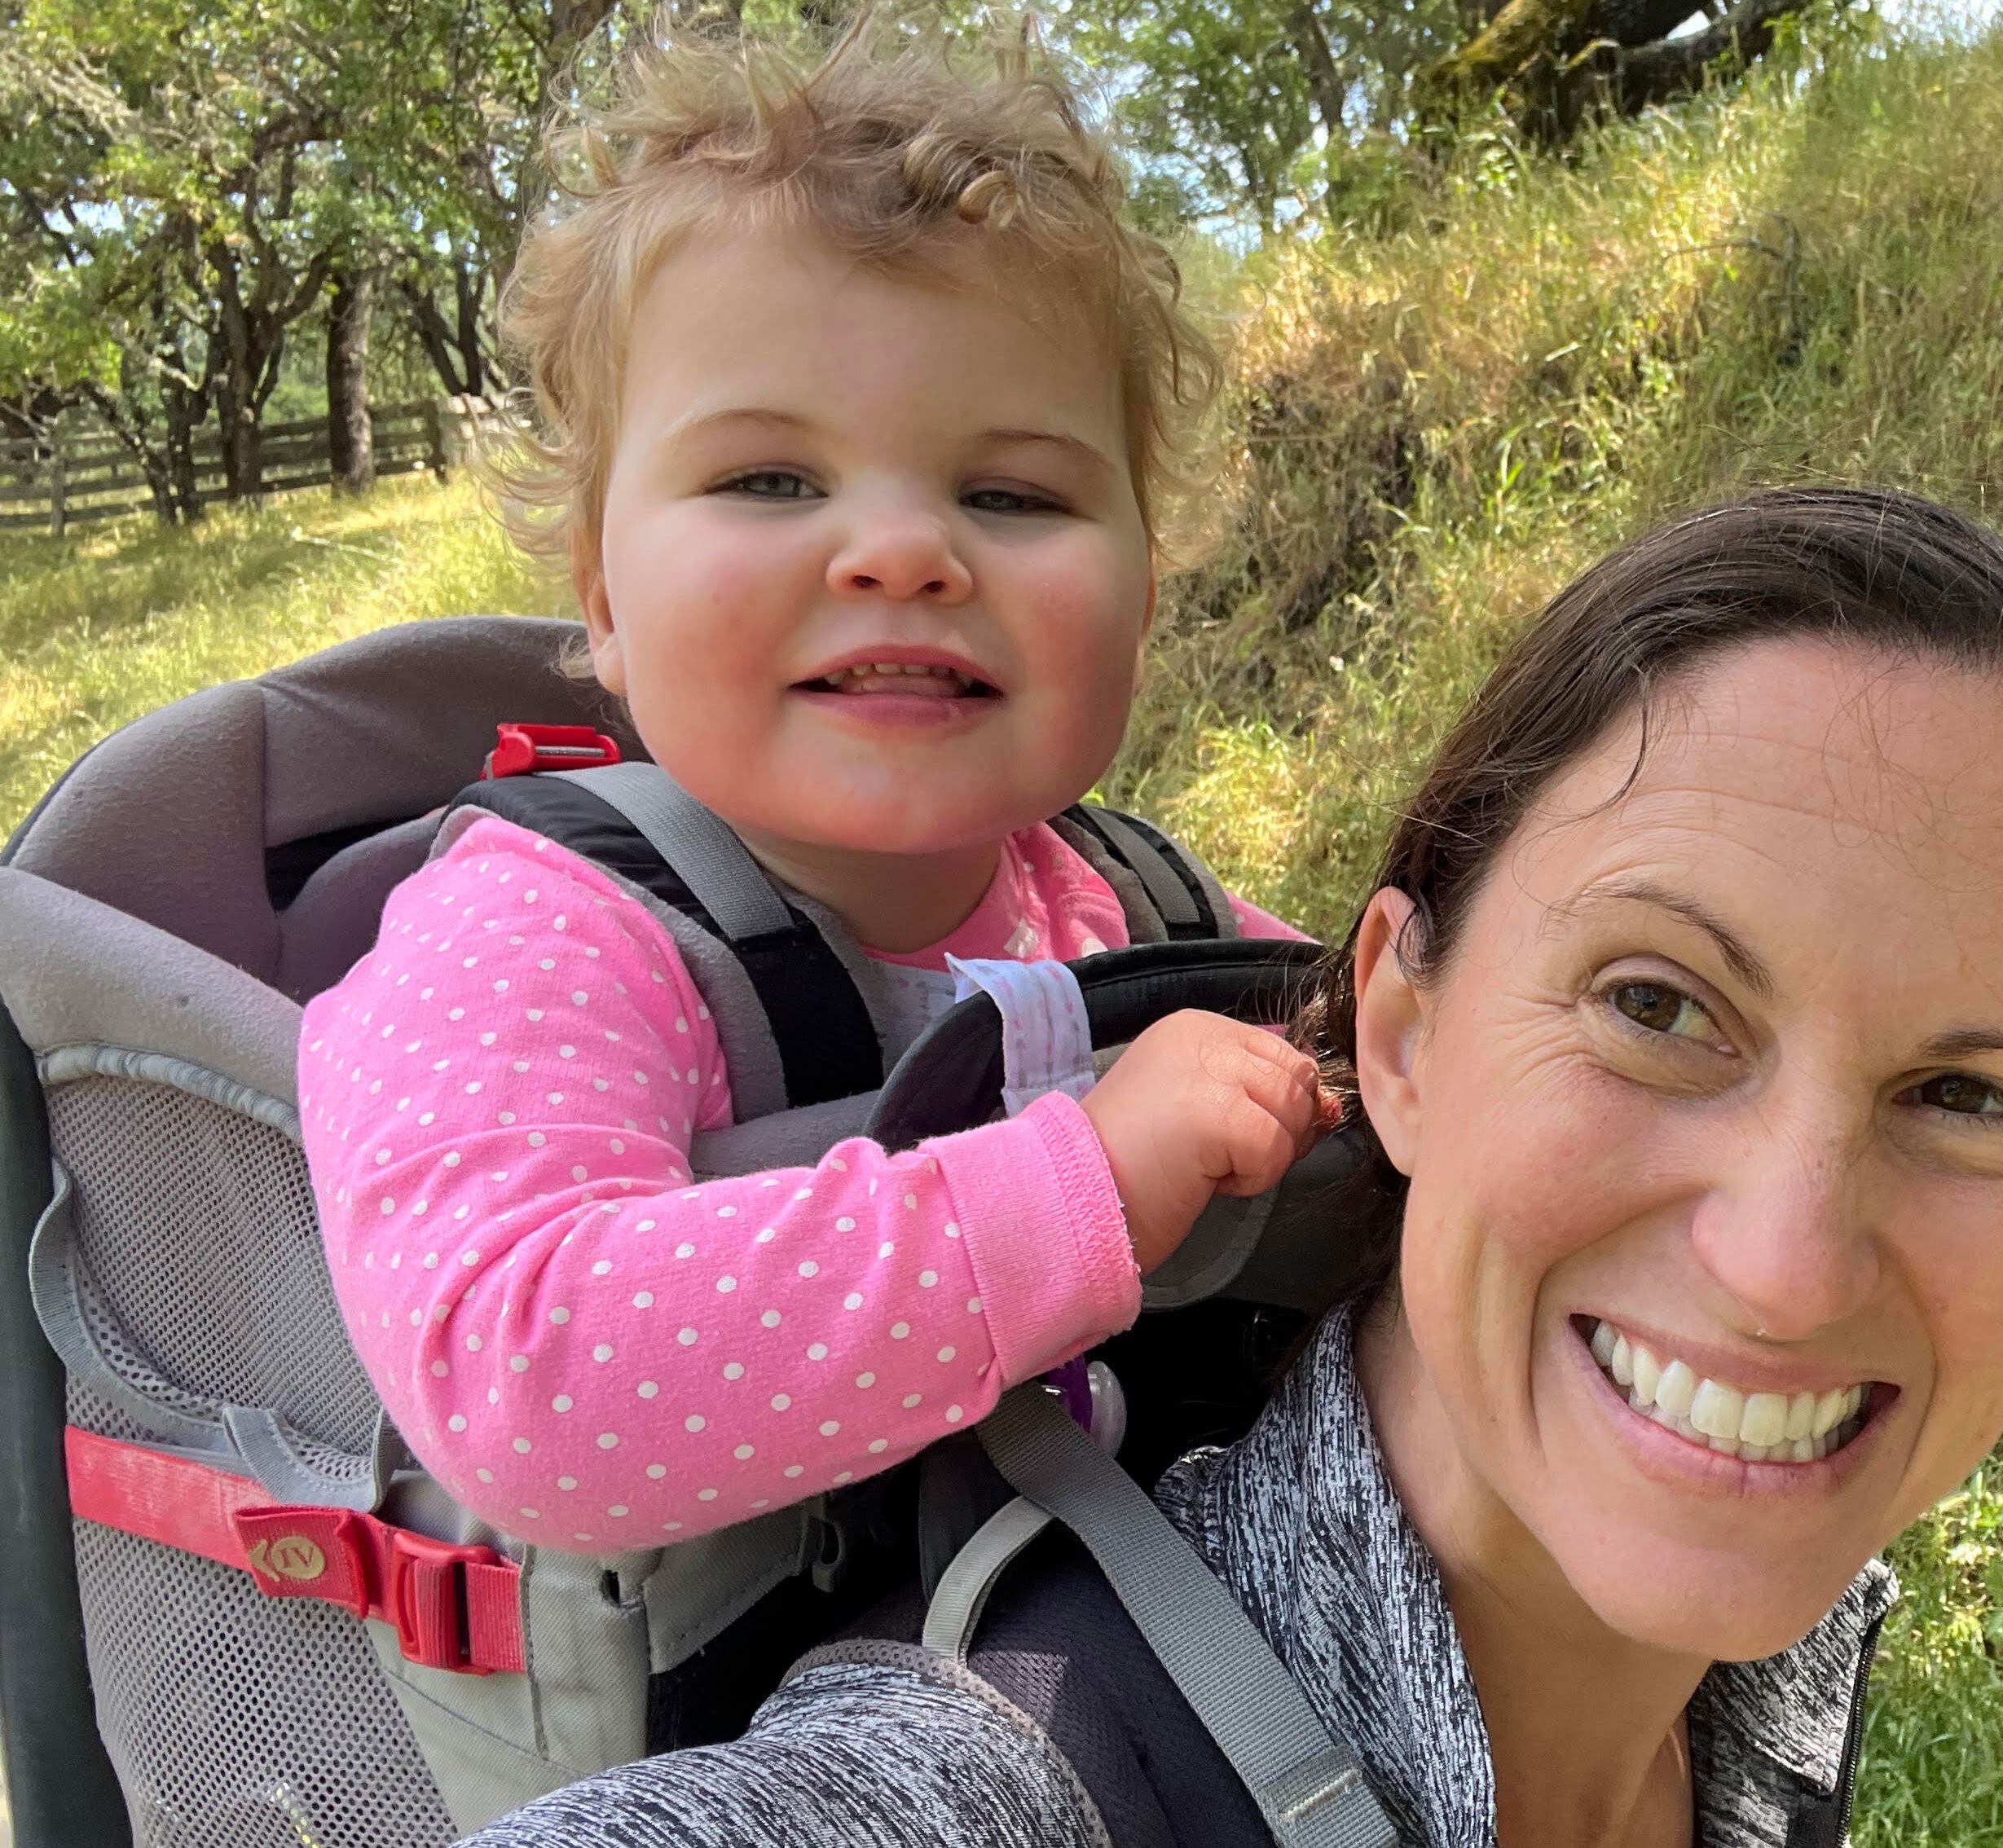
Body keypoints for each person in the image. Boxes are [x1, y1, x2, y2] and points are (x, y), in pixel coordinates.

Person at [448, 485, 2003, 1846]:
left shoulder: (1763, 1675)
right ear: (1396, 1030)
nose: (1787, 1262)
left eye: (1973, 1100)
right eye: (1660, 1002)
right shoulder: (1011, 1783)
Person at [295, 14, 1325, 1554]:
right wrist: (1077, 1187)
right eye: (770, 479)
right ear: (604, 599)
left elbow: (1380, 1069)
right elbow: (530, 1383)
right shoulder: (535, 939)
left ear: (1146, 590)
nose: (903, 550)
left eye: (1013, 493)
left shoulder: (1137, 909)